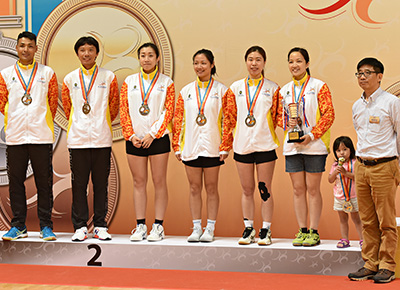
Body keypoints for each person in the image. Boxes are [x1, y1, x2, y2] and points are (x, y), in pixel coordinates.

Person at [0, 31, 58, 241]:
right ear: (17, 48)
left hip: (41, 136)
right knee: (16, 182)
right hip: (15, 136)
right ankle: (18, 225)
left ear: (35, 48)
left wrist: (38, 120)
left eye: (30, 46)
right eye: (22, 45)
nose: (26, 50)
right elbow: (2, 102)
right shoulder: (6, 74)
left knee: (44, 182)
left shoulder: (47, 73)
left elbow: (52, 103)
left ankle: (46, 226)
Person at [61, 36, 119, 241]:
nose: (86, 54)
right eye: (82, 50)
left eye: (90, 50)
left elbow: (113, 107)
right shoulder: (69, 79)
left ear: (97, 53)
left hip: (101, 139)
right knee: (79, 184)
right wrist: (80, 124)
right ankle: (80, 226)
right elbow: (68, 108)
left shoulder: (108, 77)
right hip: (77, 140)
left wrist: (99, 124)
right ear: (77, 53)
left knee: (101, 183)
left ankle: (100, 225)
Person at [348, 57, 400, 283]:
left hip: (384, 166)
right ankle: (370, 263)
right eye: (359, 73)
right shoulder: (356, 105)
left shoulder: (391, 102)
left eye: (367, 73)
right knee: (367, 220)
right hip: (361, 166)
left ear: (379, 76)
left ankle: (387, 265)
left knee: (386, 220)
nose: (362, 77)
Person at [222, 46, 280, 245]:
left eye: (258, 60)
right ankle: (248, 228)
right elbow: (229, 120)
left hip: (265, 145)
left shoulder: (273, 88)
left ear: (264, 63)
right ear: (245, 62)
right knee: (247, 190)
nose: (254, 63)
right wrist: (225, 147)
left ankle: (266, 229)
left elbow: (278, 116)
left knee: (264, 189)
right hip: (242, 145)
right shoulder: (235, 88)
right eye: (250, 59)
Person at [278, 47, 335, 247]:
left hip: (314, 146)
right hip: (292, 146)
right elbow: (278, 116)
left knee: (312, 189)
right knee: (297, 189)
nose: (295, 65)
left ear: (307, 63)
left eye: (299, 61)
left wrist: (311, 136)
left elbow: (329, 115)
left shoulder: (319, 86)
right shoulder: (284, 90)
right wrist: (287, 123)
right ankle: (302, 230)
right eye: (291, 61)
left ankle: (314, 231)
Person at [172, 49, 231, 242]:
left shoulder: (222, 90)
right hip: (191, 145)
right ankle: (197, 227)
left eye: (204, 63)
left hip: (213, 146)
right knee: (194, 187)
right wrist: (177, 146)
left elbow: (227, 121)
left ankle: (210, 228)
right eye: (196, 63)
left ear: (212, 65)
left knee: (212, 188)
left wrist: (225, 146)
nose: (200, 66)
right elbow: (179, 120)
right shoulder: (186, 91)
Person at [120, 42, 175, 242]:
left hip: (157, 139)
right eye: (143, 55)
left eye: (150, 55)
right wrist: (130, 134)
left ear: (157, 58)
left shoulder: (166, 82)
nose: (146, 59)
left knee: (159, 181)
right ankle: (140, 225)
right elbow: (124, 110)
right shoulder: (129, 81)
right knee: (138, 182)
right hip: (134, 139)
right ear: (139, 58)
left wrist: (153, 134)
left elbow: (168, 111)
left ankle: (158, 226)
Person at [328, 136, 363, 248]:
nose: (341, 153)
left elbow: (358, 177)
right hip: (339, 197)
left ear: (351, 150)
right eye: (338, 150)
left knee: (356, 219)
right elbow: (330, 180)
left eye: (344, 149)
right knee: (343, 219)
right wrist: (335, 172)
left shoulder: (355, 162)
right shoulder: (335, 165)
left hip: (353, 196)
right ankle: (345, 239)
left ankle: (363, 240)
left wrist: (345, 173)